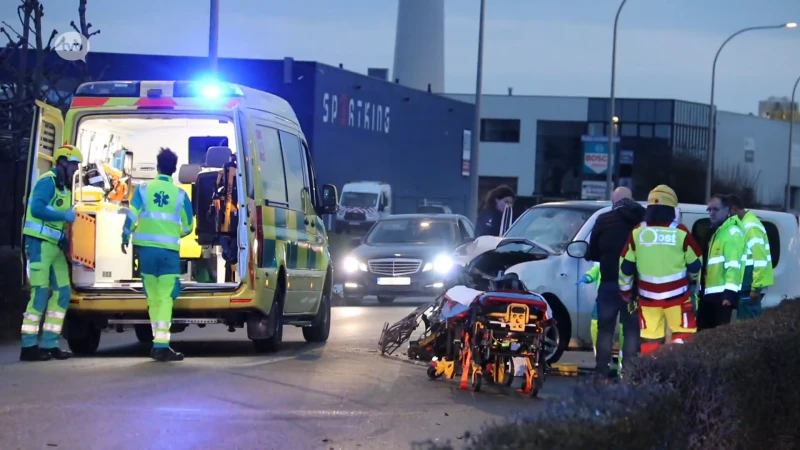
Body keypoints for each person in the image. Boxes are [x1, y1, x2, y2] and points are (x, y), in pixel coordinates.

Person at [121, 148, 194, 362]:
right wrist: (173, 232)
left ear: (158, 166)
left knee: (153, 298)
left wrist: (125, 237)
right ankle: (161, 345)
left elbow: (131, 217)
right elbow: (189, 226)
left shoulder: (142, 191)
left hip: (145, 252)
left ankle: (157, 342)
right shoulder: (181, 195)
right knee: (165, 298)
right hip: (169, 254)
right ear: (174, 169)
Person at [619, 185, 703, 354]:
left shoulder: (638, 232)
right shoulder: (680, 232)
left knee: (650, 339)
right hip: (677, 297)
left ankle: (651, 374)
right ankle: (678, 369)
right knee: (684, 334)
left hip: (648, 297)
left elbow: (625, 266)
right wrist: (694, 279)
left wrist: (625, 290)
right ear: (672, 209)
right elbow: (696, 264)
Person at [20, 145, 83, 361]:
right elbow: (37, 209)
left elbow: (56, 222)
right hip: (38, 245)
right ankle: (28, 346)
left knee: (63, 292)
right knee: (39, 293)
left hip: (54, 246)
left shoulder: (63, 187)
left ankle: (50, 343)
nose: (76, 169)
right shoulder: (47, 181)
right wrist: (63, 216)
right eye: (74, 164)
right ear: (63, 162)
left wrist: (65, 241)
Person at [585, 186, 644, 377]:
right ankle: (629, 373)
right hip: (635, 286)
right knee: (632, 330)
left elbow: (592, 253)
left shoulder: (604, 219)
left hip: (609, 283)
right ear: (632, 199)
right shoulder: (642, 220)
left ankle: (602, 372)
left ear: (614, 202)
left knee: (605, 330)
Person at [697, 194, 745, 330]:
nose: (711, 213)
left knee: (715, 338)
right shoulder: (716, 232)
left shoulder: (731, 233)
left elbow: (734, 265)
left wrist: (729, 294)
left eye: (715, 209)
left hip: (722, 298)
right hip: (708, 296)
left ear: (727, 210)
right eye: (709, 210)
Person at [727, 194, 773, 320]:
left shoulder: (750, 226)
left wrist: (756, 287)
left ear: (734, 209)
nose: (728, 216)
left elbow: (760, 259)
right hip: (747, 283)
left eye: (728, 212)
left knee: (747, 325)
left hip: (749, 284)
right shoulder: (746, 224)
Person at [577, 262, 625, 369]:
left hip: (621, 294)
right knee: (596, 324)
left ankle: (621, 365)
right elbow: (597, 268)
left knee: (624, 328)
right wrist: (589, 276)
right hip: (610, 295)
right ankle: (604, 362)